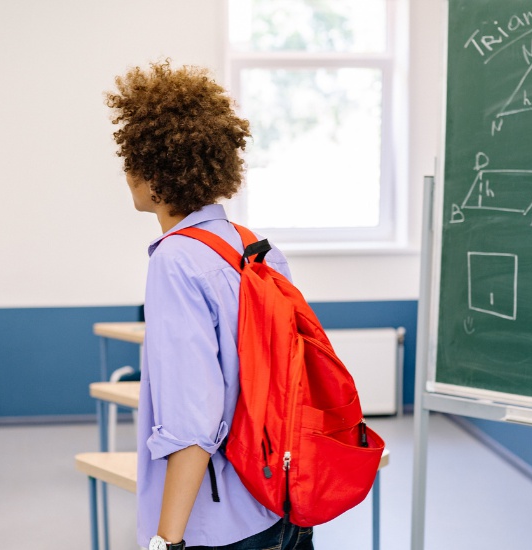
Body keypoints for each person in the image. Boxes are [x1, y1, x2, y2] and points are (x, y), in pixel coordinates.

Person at [105, 60, 313, 550]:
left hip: (221, 523)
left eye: (131, 157)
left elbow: (192, 419)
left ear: (155, 175)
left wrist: (168, 541)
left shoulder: (175, 260)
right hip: (281, 499)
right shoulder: (252, 247)